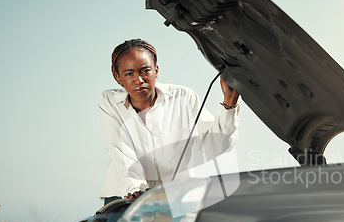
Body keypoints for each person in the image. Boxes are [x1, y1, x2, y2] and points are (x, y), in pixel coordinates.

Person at [98, 39, 239, 205]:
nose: (139, 80)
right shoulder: (109, 103)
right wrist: (136, 189)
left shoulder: (183, 97)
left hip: (174, 197)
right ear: (118, 77)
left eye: (145, 71)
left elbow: (214, 145)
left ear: (156, 70)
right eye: (129, 74)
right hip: (124, 195)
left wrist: (229, 104)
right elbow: (121, 151)